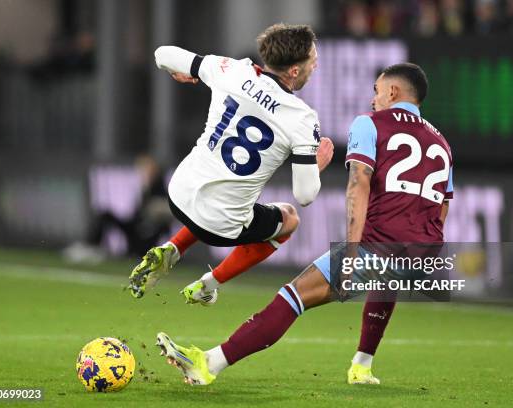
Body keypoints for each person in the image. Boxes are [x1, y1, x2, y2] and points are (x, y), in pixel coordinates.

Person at [155, 63, 454, 385]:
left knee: (293, 297)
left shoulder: (370, 124)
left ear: (393, 92)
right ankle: (362, 366)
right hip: (425, 250)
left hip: (379, 244)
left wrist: (353, 250)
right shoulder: (442, 143)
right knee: (387, 274)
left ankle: (208, 364)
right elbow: (442, 208)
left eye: (377, 91)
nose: (373, 99)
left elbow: (359, 184)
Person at [128, 24, 334, 304]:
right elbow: (305, 195)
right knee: (289, 218)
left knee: (219, 195)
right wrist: (315, 167)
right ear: (294, 71)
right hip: (219, 225)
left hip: (177, 194)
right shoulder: (302, 118)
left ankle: (172, 248)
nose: (316, 63)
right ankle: (207, 285)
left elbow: (163, 53)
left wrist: (188, 73)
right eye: (313, 58)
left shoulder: (232, 70)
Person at [63, 155, 170, 263]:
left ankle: (94, 248)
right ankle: (92, 246)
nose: (143, 173)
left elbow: (161, 219)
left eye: (146, 169)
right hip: (135, 228)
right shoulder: (145, 188)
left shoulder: (160, 190)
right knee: (106, 215)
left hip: (145, 234)